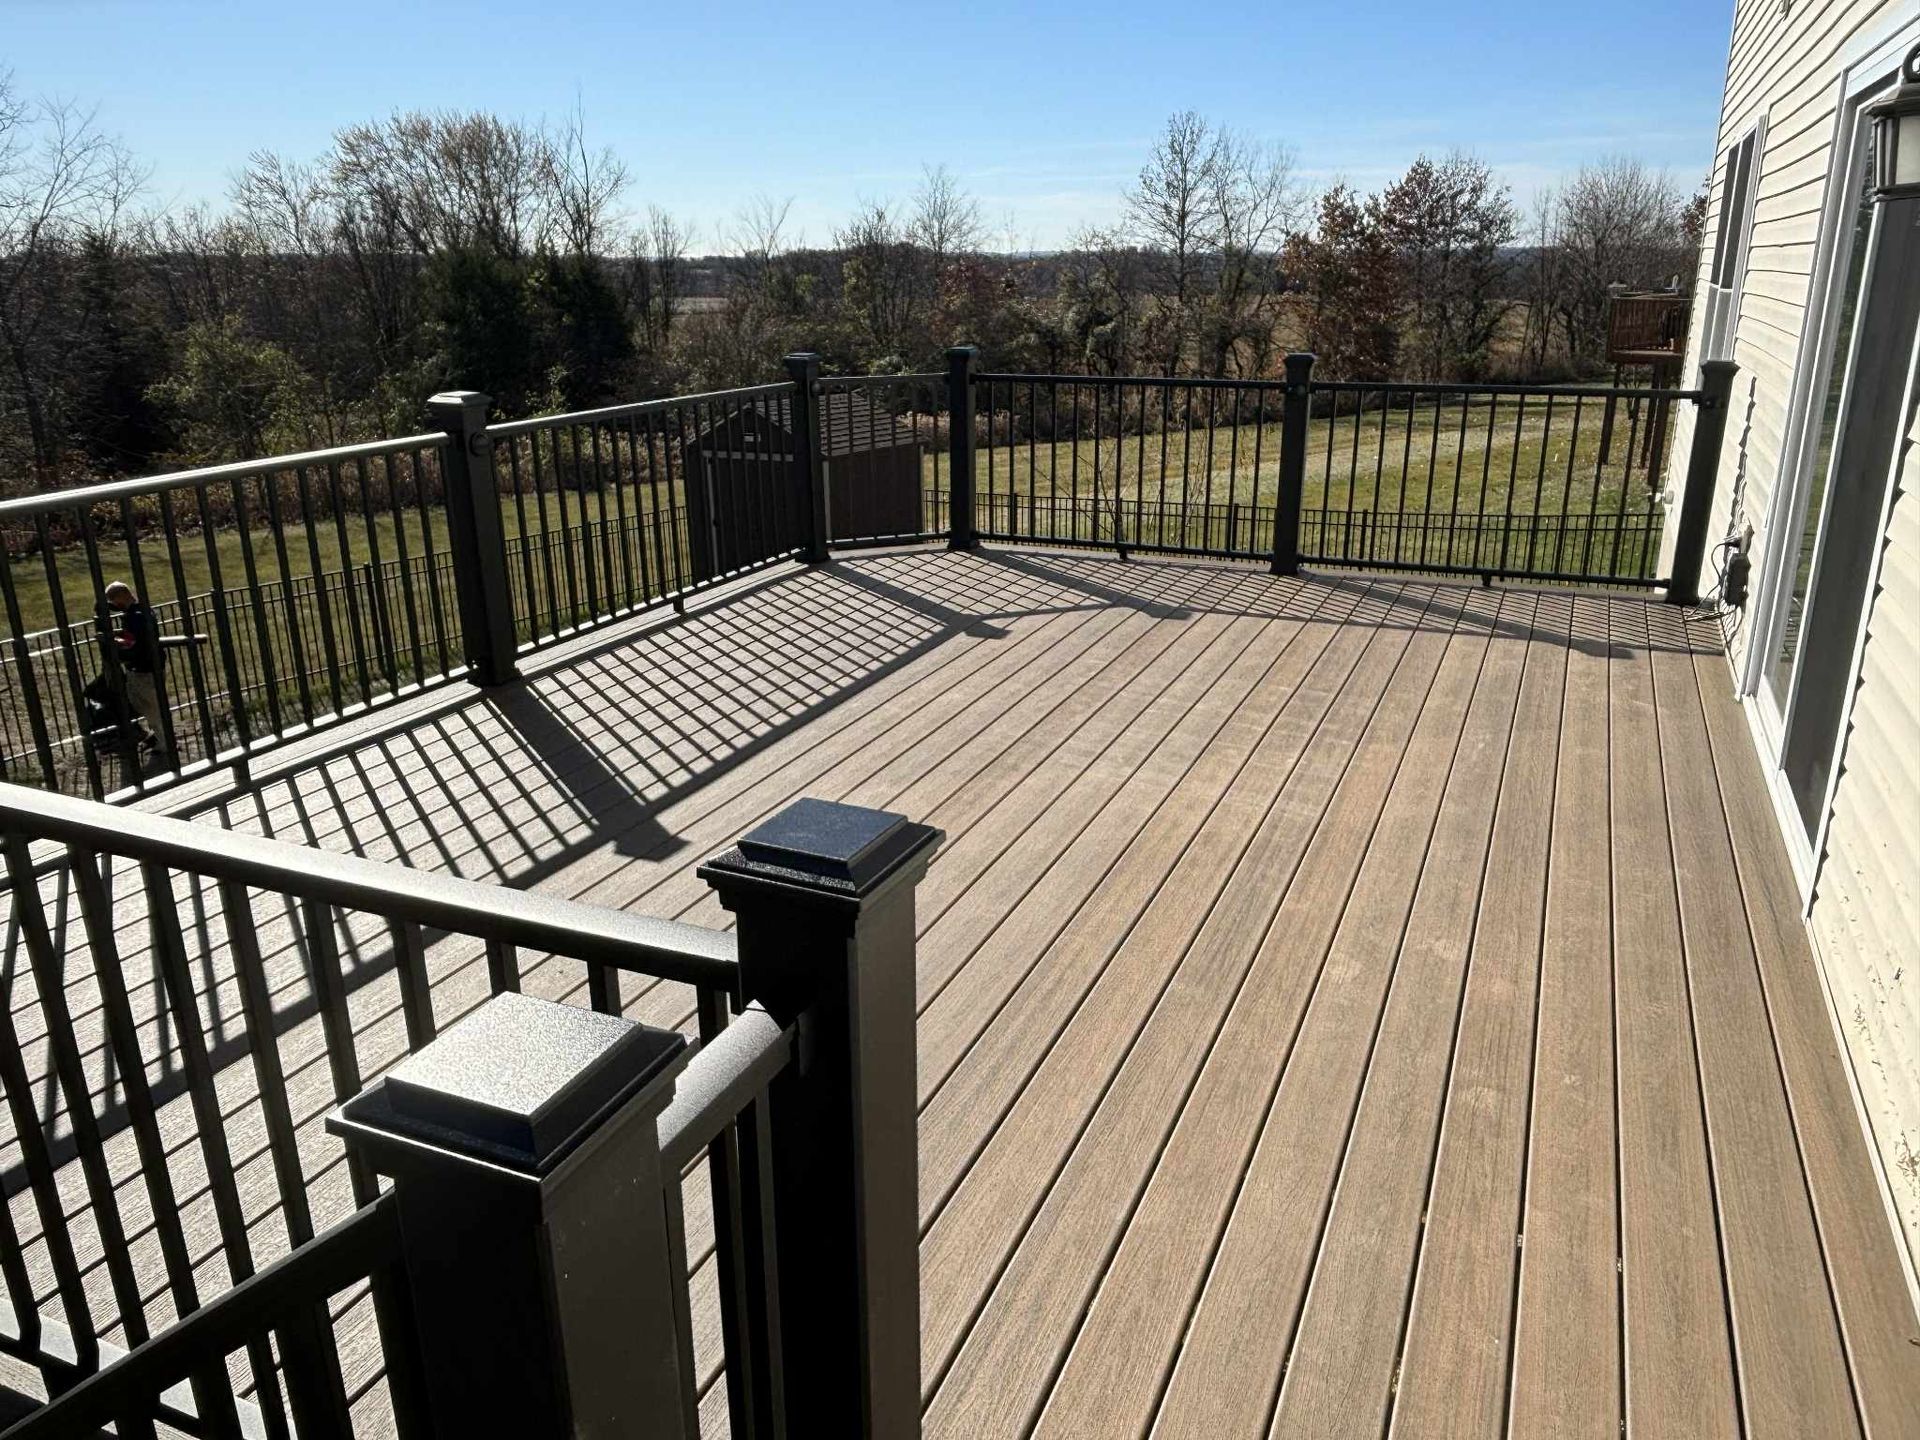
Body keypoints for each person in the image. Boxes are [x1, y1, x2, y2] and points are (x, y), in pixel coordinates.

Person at [103, 581, 168, 756]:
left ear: (121, 597)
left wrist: (117, 644)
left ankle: (164, 742)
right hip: (147, 666)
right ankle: (159, 736)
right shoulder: (140, 611)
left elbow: (135, 644)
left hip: (143, 668)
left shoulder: (135, 616)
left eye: (114, 601)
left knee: (151, 707)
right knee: (144, 703)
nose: (115, 607)